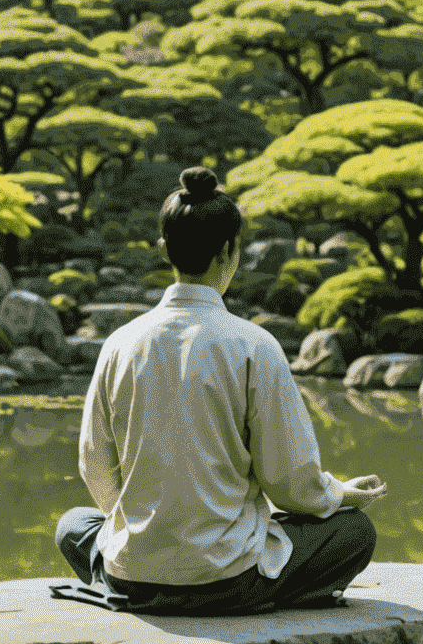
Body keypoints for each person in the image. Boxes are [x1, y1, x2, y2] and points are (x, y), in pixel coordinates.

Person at [55, 165, 386, 615]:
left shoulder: (120, 343)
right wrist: (340, 494)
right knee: (354, 534)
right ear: (231, 251)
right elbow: (290, 484)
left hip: (134, 576)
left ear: (163, 248)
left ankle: (141, 582)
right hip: (228, 578)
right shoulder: (254, 345)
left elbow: (95, 466)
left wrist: (145, 527)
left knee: (73, 525)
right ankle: (260, 595)